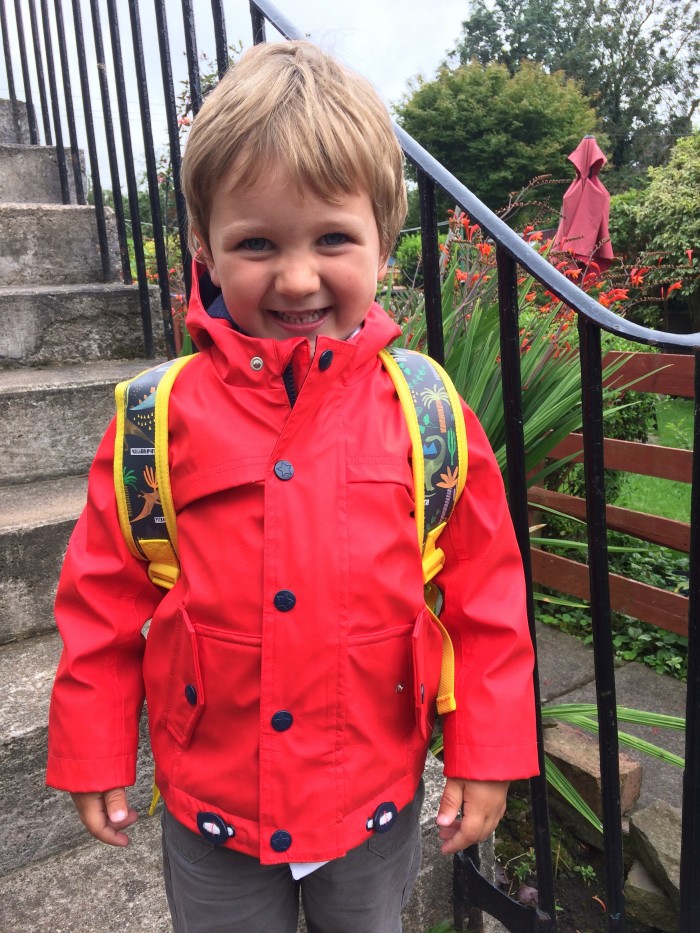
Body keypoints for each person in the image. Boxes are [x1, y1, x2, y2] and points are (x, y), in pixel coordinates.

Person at [47, 40, 539, 933]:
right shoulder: (154, 420)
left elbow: (486, 598)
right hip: (215, 808)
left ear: (384, 239)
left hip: (371, 805)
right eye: (258, 243)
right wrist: (94, 744)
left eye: (333, 239)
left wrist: (488, 750)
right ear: (205, 245)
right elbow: (102, 597)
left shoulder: (427, 411)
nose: (299, 277)